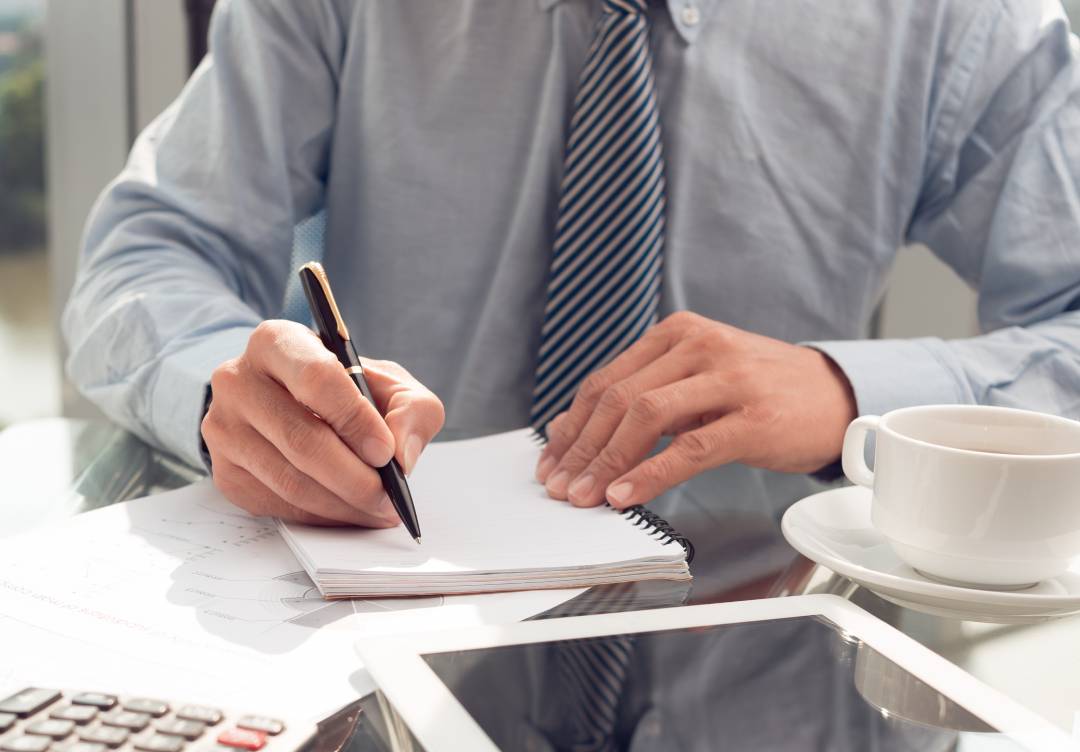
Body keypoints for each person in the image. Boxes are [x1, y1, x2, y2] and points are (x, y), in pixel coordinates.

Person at [65, 0, 1080, 529]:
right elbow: (148, 253)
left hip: (774, 630)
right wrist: (222, 395)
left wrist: (850, 394)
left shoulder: (966, 21)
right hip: (384, 635)